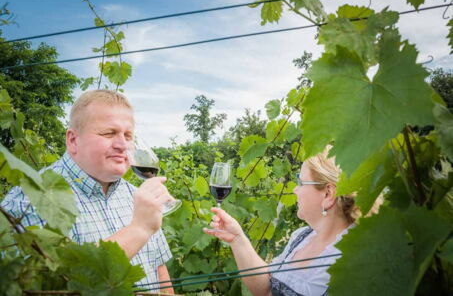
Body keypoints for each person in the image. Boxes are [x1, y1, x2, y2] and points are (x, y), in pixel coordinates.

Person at [1, 89, 174, 293]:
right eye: (109, 133)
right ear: (73, 140)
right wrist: (139, 230)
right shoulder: (31, 198)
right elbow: (57, 285)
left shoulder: (135, 195)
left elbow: (159, 270)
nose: (122, 145)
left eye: (128, 135)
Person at [204, 146, 360, 296]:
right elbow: (266, 290)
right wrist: (237, 239)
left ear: (328, 194)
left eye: (300, 182)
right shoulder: (302, 237)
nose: (294, 189)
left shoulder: (353, 260)